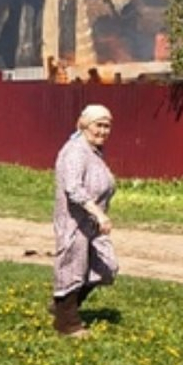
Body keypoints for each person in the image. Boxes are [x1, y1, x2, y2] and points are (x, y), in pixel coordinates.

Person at [50, 104, 118, 338]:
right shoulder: (75, 151)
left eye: (107, 126)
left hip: (93, 223)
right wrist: (97, 213)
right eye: (98, 125)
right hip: (75, 221)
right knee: (72, 267)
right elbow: (73, 188)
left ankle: (62, 307)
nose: (103, 131)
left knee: (106, 266)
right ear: (84, 124)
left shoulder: (93, 151)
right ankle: (67, 323)